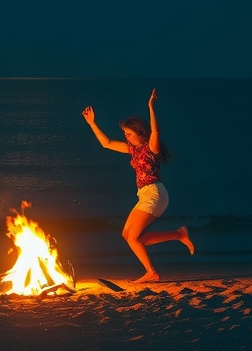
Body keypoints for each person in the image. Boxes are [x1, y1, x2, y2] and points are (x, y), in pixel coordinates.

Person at [82, 89, 194, 282]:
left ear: (138, 132)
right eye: (125, 134)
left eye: (128, 133)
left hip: (155, 194)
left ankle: (152, 272)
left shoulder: (152, 148)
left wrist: (151, 106)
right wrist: (92, 123)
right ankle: (178, 234)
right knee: (128, 235)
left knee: (134, 238)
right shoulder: (132, 150)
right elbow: (106, 143)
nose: (127, 137)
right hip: (144, 195)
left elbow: (156, 130)